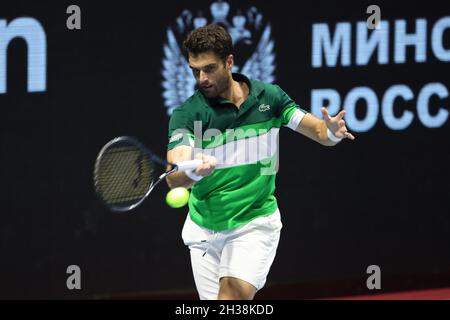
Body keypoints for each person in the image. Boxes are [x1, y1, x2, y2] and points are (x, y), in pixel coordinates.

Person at [166, 24, 354, 300]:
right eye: (195, 71)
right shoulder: (187, 114)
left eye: (209, 69)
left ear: (229, 62)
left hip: (253, 224)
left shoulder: (270, 99)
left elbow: (318, 131)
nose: (202, 78)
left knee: (230, 299)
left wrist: (333, 133)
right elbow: (174, 175)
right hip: (204, 229)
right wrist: (193, 172)